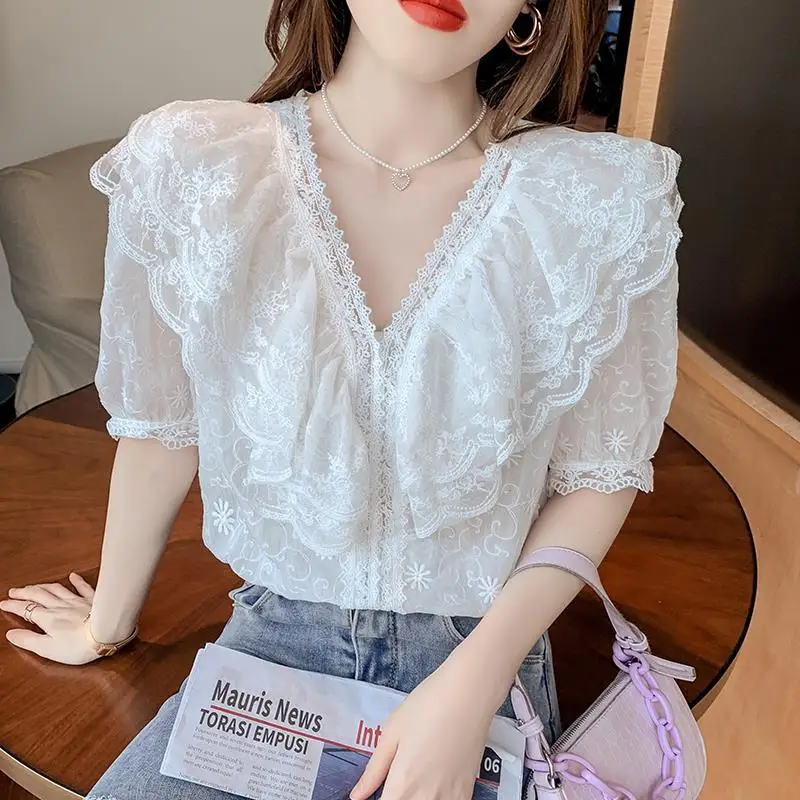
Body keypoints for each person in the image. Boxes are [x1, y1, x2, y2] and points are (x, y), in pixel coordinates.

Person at [1, 1, 683, 798]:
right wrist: (105, 624)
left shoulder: (595, 202)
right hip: (271, 655)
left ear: (530, 10)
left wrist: (477, 681)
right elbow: (161, 428)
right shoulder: (196, 168)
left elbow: (599, 474)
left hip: (485, 660)